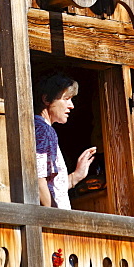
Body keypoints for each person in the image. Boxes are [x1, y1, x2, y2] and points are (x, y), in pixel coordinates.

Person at [33, 71, 96, 209]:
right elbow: (37, 180)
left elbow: (52, 186)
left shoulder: (42, 128)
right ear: (47, 100)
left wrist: (75, 177)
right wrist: (55, 218)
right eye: (66, 98)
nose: (71, 105)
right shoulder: (43, 130)